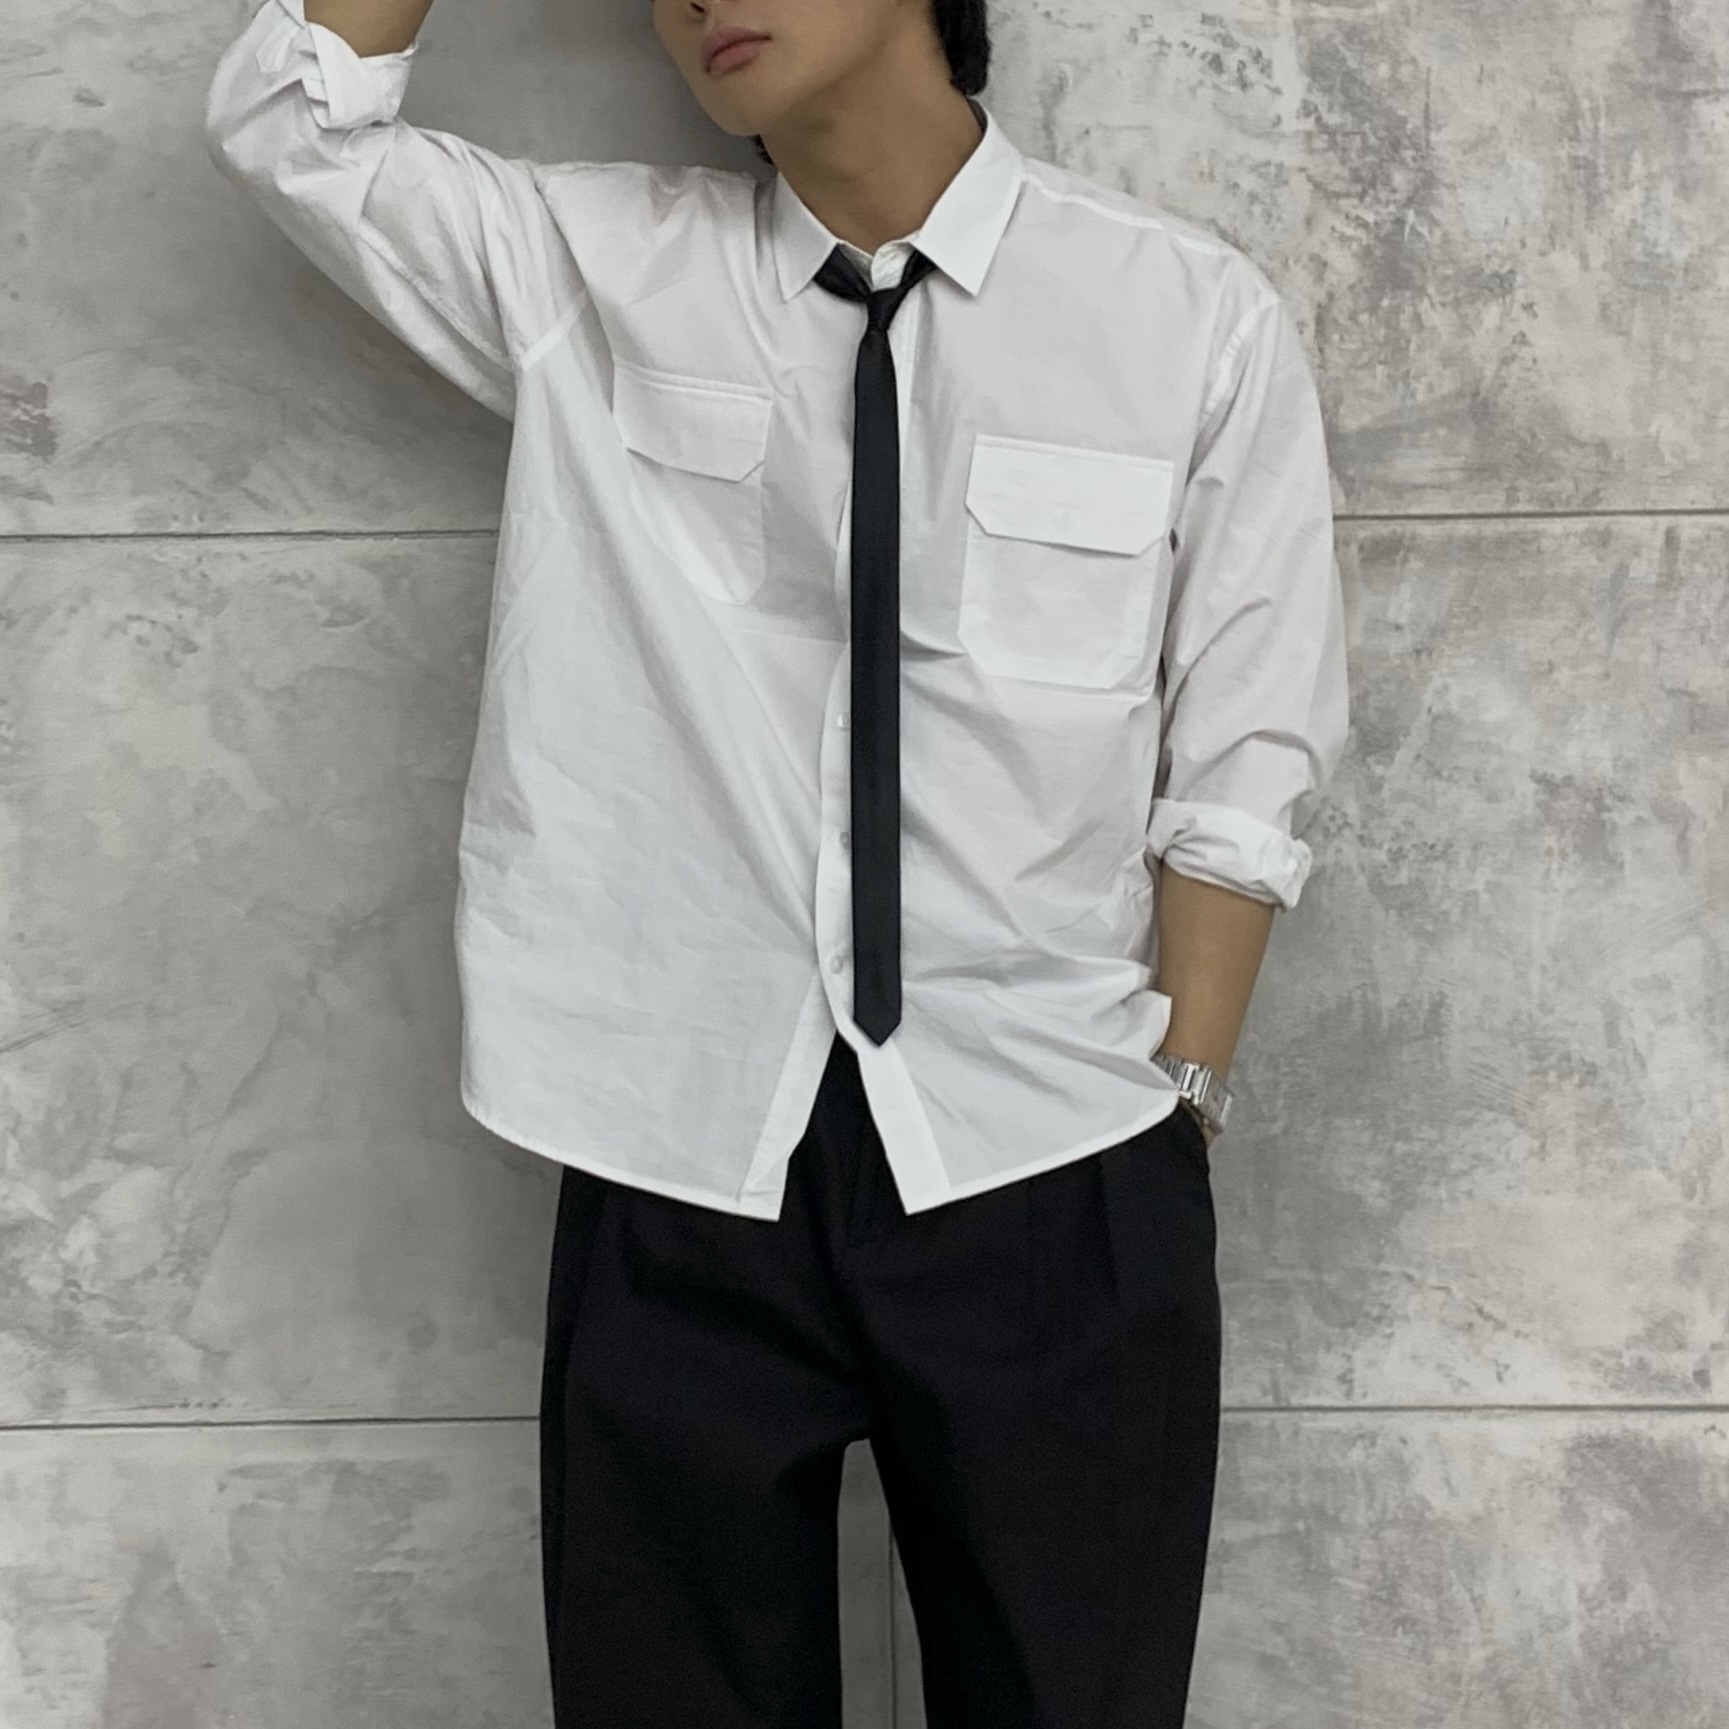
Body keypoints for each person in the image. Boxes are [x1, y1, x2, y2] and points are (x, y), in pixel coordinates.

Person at [205, 0, 1349, 1722]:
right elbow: (290, 128)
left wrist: (1169, 1095)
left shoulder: (1184, 318)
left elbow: (1244, 761)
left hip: (1052, 1157)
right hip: (682, 1163)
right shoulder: (594, 270)